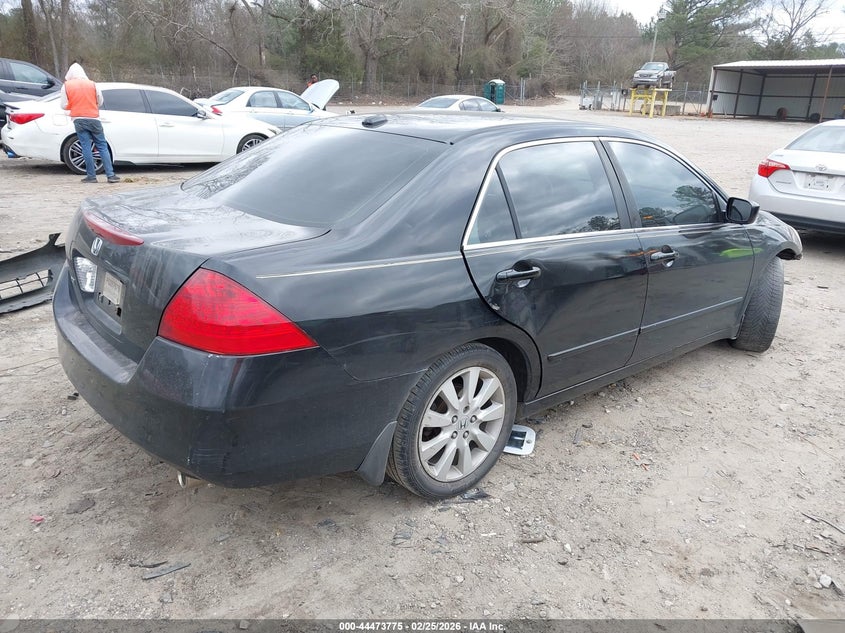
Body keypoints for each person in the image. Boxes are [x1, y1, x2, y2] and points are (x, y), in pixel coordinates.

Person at [60, 62, 119, 183]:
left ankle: (91, 176)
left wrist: (74, 105)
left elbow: (63, 105)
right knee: (102, 146)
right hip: (94, 119)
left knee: (86, 147)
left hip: (79, 119)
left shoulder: (66, 86)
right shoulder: (93, 84)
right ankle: (110, 175)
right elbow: (100, 101)